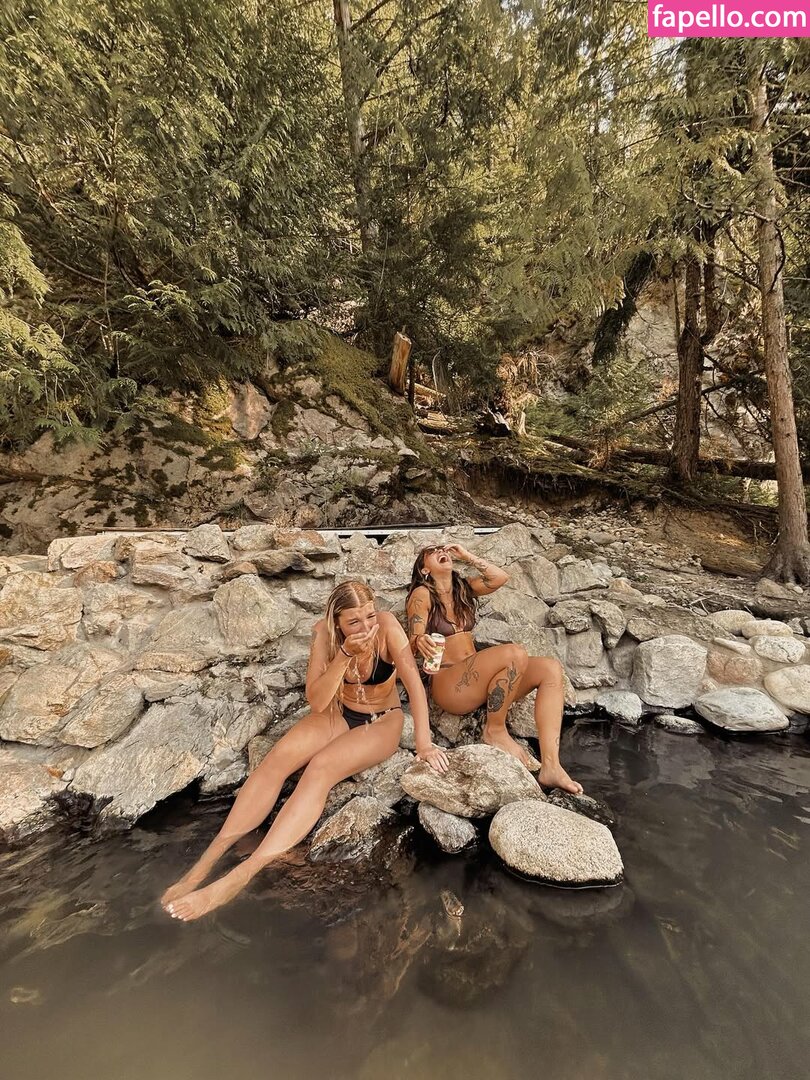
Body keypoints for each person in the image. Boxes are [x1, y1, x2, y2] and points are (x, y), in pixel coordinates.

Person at [163, 580, 448, 921]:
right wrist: (344, 655)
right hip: (338, 712)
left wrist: (424, 743)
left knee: (320, 768)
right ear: (337, 623)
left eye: (369, 616)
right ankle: (204, 863)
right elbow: (317, 702)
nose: (365, 626)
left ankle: (244, 873)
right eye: (354, 622)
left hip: (382, 719)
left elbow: (415, 686)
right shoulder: (324, 634)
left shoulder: (387, 627)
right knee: (277, 759)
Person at [406, 543, 582, 795]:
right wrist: (420, 640)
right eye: (432, 551)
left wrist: (467, 556)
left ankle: (551, 766)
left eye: (442, 548)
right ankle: (495, 730)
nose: (441, 551)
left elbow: (500, 577)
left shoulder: (463, 589)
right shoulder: (422, 594)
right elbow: (414, 639)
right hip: (449, 684)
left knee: (550, 669)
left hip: (478, 682)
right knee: (515, 653)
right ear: (424, 569)